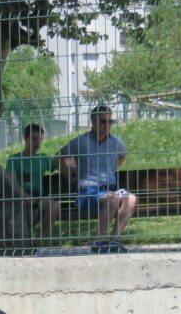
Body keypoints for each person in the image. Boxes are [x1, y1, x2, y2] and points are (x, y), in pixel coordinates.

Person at [57, 104, 138, 252]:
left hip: (109, 190)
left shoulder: (116, 142)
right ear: (93, 121)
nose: (107, 125)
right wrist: (69, 177)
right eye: (103, 121)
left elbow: (122, 156)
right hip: (88, 192)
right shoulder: (81, 141)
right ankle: (98, 241)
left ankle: (114, 240)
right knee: (112, 199)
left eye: (110, 121)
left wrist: (111, 169)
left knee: (131, 198)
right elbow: (59, 156)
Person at [6, 123, 60, 240]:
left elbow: (59, 166)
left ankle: (38, 239)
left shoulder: (43, 158)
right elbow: (12, 182)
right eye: (34, 138)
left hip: (38, 196)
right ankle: (22, 240)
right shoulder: (14, 159)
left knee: (54, 206)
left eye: (40, 139)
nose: (37, 142)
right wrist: (25, 197)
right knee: (23, 211)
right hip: (19, 196)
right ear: (25, 138)